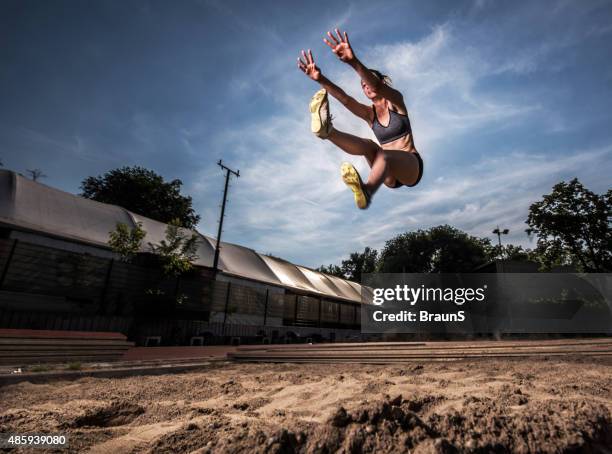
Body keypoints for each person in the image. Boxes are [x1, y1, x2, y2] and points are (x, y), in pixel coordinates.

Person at [297, 29, 423, 209]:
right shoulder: (369, 114)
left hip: (410, 166)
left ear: (382, 82)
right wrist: (320, 79)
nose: (366, 86)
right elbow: (346, 99)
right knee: (369, 146)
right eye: (362, 85)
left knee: (384, 154)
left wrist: (353, 62)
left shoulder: (396, 102)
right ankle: (328, 132)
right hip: (386, 174)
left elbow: (377, 85)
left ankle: (367, 190)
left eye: (368, 82)